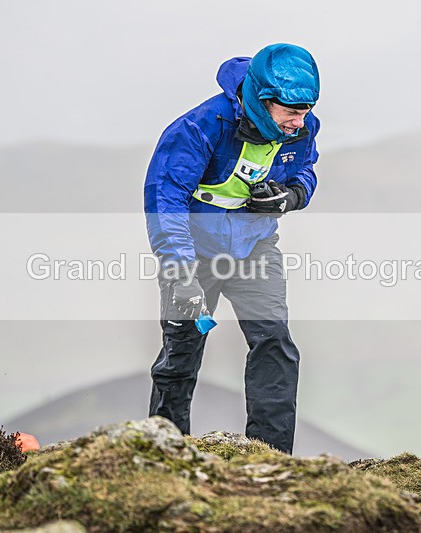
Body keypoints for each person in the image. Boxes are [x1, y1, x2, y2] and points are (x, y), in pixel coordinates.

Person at [143, 43, 320, 454]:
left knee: (274, 341)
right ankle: (166, 455)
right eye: (291, 112)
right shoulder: (198, 128)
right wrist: (181, 273)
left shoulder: (303, 126)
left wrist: (288, 198)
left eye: (307, 109)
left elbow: (304, 170)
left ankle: (272, 460)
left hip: (255, 249)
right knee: (181, 352)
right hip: (193, 255)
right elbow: (164, 203)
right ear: (261, 101)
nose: (301, 122)